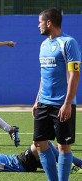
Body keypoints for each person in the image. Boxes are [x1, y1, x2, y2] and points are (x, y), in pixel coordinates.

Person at [32, 8, 81, 181]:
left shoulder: (68, 43)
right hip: (44, 102)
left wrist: (67, 103)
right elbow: (44, 75)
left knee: (63, 146)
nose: (38, 25)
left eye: (40, 22)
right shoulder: (43, 45)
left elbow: (75, 75)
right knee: (39, 144)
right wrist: (37, 100)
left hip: (62, 103)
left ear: (49, 23)